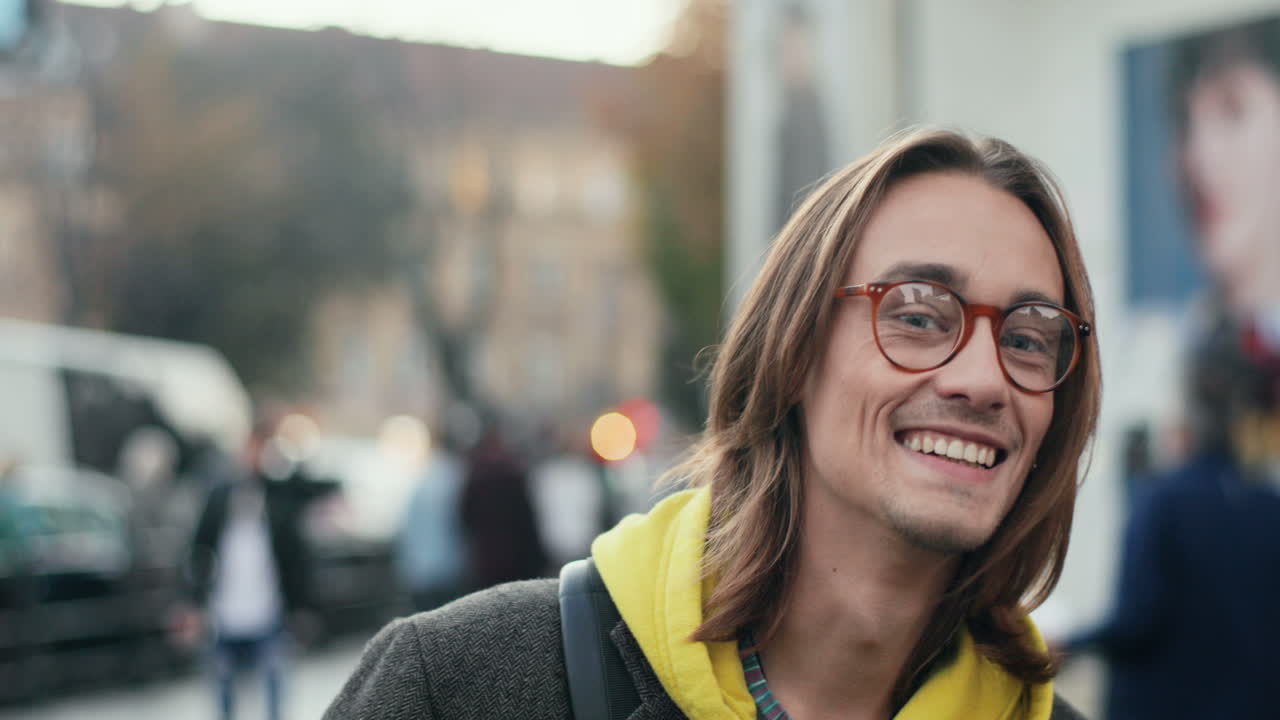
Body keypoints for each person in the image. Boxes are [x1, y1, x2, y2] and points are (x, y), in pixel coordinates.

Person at [324, 128, 1099, 719]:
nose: (983, 378)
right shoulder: (461, 685)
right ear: (794, 351)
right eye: (920, 315)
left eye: (1029, 338)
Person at [185, 419, 313, 720]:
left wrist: (302, 607)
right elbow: (198, 550)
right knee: (224, 687)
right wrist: (192, 602)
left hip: (268, 610)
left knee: (274, 683)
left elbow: (296, 557)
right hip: (224, 610)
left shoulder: (278, 497)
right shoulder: (220, 496)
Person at [394, 428, 467, 612]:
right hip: (450, 571)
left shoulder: (422, 480)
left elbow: (408, 530)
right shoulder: (458, 479)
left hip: (422, 572)